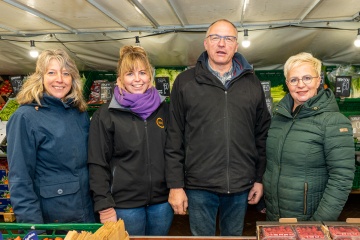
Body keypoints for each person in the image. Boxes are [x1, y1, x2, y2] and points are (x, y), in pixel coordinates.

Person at [165, 19, 271, 236]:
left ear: (236, 46)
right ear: (206, 43)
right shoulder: (185, 82)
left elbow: (261, 135)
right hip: (199, 187)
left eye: (229, 39)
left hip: (240, 187)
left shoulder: (251, 83)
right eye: (215, 38)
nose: (221, 44)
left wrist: (258, 178)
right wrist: (176, 185)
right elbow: (174, 136)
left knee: (233, 237)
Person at [88, 45, 173, 236]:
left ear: (149, 77)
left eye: (142, 73)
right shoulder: (106, 115)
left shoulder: (164, 110)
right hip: (124, 205)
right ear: (120, 79)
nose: (137, 79)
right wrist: (104, 205)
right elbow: (97, 162)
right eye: (130, 73)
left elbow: (174, 152)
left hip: (161, 204)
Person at [263, 52, 355, 221]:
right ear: (287, 84)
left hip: (309, 221)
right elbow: (272, 165)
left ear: (318, 80)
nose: (300, 85)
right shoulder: (278, 117)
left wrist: (318, 223)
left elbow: (341, 178)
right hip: (275, 217)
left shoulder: (333, 121)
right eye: (294, 80)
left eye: (307, 78)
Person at [6, 49, 95, 224]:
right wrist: (33, 229)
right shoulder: (25, 117)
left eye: (66, 73)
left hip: (86, 214)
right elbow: (20, 179)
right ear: (40, 77)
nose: (60, 80)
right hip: (54, 219)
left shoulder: (79, 113)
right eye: (51, 72)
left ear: (73, 79)